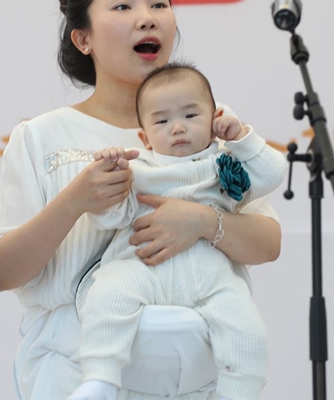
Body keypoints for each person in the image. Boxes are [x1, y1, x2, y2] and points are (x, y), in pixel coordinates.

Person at [0, 0, 282, 400]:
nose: (147, 18)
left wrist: (201, 222)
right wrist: (75, 200)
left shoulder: (207, 128)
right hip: (76, 370)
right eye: (123, 6)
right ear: (83, 38)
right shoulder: (41, 135)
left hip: (198, 378)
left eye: (159, 5)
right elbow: (2, 272)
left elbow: (269, 243)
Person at [69, 63, 287, 400]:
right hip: (142, 265)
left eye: (190, 115)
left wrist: (242, 137)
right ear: (143, 137)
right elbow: (110, 217)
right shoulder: (137, 166)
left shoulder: (225, 163)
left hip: (212, 276)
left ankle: (239, 393)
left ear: (214, 119)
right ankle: (100, 379)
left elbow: (272, 174)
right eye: (161, 121)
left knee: (248, 332)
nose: (178, 128)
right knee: (107, 295)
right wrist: (108, 171)